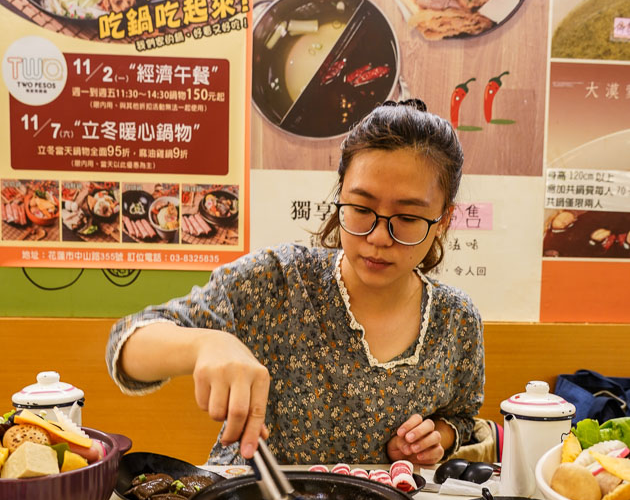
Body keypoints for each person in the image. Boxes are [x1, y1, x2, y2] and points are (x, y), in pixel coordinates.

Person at [106, 99, 485, 466]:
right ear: (340, 197)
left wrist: (435, 437)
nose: (378, 237)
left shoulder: (456, 318)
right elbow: (125, 346)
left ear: (444, 219)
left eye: (407, 217)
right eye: (360, 208)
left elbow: (463, 416)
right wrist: (206, 343)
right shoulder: (279, 280)